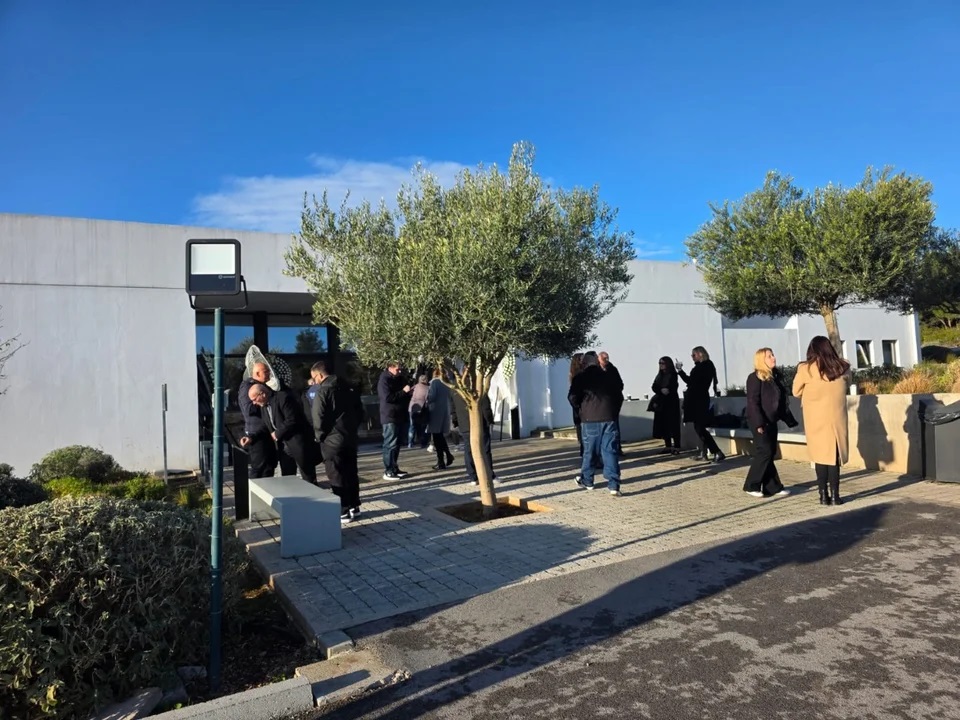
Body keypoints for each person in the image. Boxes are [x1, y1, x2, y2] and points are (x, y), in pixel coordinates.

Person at [793, 336, 852, 506]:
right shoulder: (843, 367)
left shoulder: (805, 369)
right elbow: (847, 385)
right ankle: (835, 496)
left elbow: (796, 391)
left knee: (820, 457)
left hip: (815, 420)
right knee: (834, 457)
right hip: (837, 419)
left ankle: (823, 495)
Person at [310, 361, 364, 524]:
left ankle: (343, 510)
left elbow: (318, 417)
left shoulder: (323, 391)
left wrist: (319, 436)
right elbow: (360, 412)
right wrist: (352, 428)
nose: (314, 382)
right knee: (351, 472)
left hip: (332, 440)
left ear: (320, 375)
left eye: (314, 378)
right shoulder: (349, 388)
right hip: (350, 437)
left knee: (336, 475)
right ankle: (354, 506)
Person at [743, 348, 797, 498]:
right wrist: (759, 423)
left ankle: (772, 487)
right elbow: (753, 402)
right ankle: (751, 485)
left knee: (770, 452)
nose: (773, 358)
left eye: (773, 355)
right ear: (761, 360)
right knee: (764, 451)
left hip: (771, 420)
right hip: (759, 421)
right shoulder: (754, 378)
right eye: (769, 356)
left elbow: (780, 401)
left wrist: (788, 419)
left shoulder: (774, 377)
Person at [568, 351, 622, 496]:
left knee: (590, 451)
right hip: (609, 418)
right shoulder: (608, 375)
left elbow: (572, 397)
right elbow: (619, 394)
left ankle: (588, 480)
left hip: (590, 419)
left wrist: (581, 409)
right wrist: (613, 412)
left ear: (584, 363)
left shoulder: (581, 377)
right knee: (610, 451)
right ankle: (614, 485)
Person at [244, 383, 318, 484]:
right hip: (283, 446)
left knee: (307, 474)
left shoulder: (283, 398)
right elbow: (265, 427)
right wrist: (251, 437)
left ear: (262, 394)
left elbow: (292, 419)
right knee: (287, 476)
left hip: (297, 442)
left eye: (254, 399)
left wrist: (277, 433)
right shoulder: (264, 406)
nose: (254, 403)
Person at [677, 346, 725, 462]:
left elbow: (691, 381)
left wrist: (680, 371)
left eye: (694, 355)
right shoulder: (703, 366)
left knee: (699, 428)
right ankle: (704, 453)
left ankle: (716, 451)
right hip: (698, 399)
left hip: (698, 400)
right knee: (699, 427)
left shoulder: (704, 366)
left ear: (700, 354)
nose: (692, 357)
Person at [238, 362, 278, 478]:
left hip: (267, 432)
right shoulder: (248, 386)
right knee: (259, 467)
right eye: (266, 372)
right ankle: (254, 489)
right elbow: (248, 409)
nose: (269, 374)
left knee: (269, 466)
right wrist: (263, 401)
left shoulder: (264, 386)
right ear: (257, 373)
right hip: (257, 433)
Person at [450, 390, 498, 486]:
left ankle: (473, 477)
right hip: (479, 422)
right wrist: (489, 420)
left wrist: (456, 421)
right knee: (485, 449)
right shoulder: (477, 386)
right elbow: (485, 405)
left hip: (464, 424)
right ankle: (489, 475)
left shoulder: (455, 388)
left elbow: (453, 408)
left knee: (468, 450)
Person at [378, 362, 412, 481]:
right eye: (397, 369)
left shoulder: (399, 378)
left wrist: (408, 393)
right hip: (390, 416)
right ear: (390, 368)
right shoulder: (384, 379)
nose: (399, 371)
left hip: (400, 415)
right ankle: (388, 470)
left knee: (397, 443)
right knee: (390, 444)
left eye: (400, 369)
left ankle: (394, 467)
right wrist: (403, 391)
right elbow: (387, 397)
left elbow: (403, 395)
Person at [650, 356, 682, 454]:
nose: (661, 365)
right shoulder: (659, 375)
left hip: (671, 402)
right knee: (664, 425)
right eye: (660, 363)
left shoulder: (672, 374)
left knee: (673, 424)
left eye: (663, 363)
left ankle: (677, 446)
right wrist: (660, 390)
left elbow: (672, 387)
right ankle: (668, 446)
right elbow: (654, 386)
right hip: (662, 403)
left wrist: (666, 390)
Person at [426, 368, 455, 470]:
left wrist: (425, 399)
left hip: (435, 411)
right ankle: (447, 456)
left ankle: (441, 461)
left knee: (436, 437)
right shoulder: (447, 383)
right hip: (444, 411)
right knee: (439, 436)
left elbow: (431, 396)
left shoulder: (434, 383)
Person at [568, 353, 585, 461]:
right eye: (582, 359)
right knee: (583, 435)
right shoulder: (579, 375)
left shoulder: (574, 375)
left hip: (579, 412)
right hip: (581, 412)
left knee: (582, 435)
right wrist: (579, 407)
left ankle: (585, 455)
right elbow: (572, 397)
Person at [407, 374, 430, 449]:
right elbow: (427, 399)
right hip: (422, 408)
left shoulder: (415, 386)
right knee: (423, 426)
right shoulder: (428, 388)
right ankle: (423, 443)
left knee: (412, 426)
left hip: (412, 407)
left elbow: (409, 392)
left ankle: (410, 442)